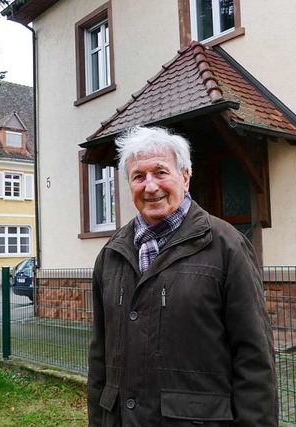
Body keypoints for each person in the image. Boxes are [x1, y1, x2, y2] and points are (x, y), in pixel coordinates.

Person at [87, 126, 278, 426]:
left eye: (160, 172)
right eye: (139, 176)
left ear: (185, 178)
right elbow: (100, 360)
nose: (150, 186)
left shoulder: (226, 245)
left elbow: (254, 358)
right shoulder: (111, 255)